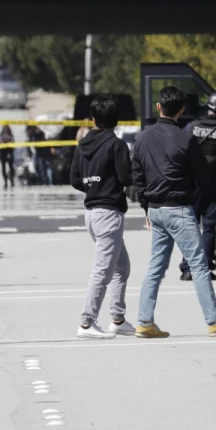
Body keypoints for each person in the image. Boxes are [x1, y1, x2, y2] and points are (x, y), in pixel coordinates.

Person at [132, 86, 216, 338]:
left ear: (158, 107)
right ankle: (214, 320)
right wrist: (200, 200)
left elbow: (137, 177)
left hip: (156, 209)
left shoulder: (143, 138)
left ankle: (144, 321)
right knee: (199, 265)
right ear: (181, 110)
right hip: (179, 208)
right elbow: (203, 177)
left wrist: (146, 208)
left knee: (155, 267)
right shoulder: (185, 138)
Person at [70, 95, 135, 339]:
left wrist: (93, 186)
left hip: (91, 213)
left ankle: (117, 318)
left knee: (121, 267)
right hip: (108, 213)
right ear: (116, 120)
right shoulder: (116, 144)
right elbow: (126, 178)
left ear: (94, 118)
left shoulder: (83, 143)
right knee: (102, 270)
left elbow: (74, 179)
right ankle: (87, 322)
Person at [179, 91, 216, 281]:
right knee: (208, 227)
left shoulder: (192, 126)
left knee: (189, 226)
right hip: (211, 185)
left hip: (191, 184)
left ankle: (187, 267)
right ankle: (205, 266)